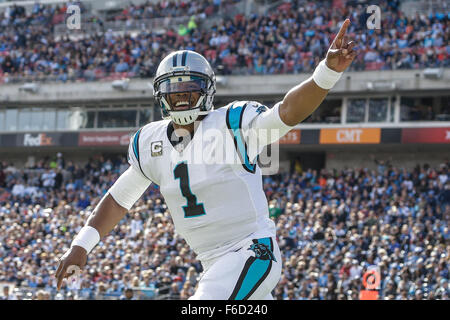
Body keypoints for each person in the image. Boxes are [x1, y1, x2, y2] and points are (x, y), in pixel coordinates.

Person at [55, 19, 357, 300]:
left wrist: (326, 73)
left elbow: (286, 113)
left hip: (252, 251)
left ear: (207, 89)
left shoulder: (232, 124)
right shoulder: (151, 142)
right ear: (161, 94)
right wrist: (81, 244)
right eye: (174, 88)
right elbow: (119, 199)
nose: (182, 95)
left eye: (190, 87)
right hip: (212, 263)